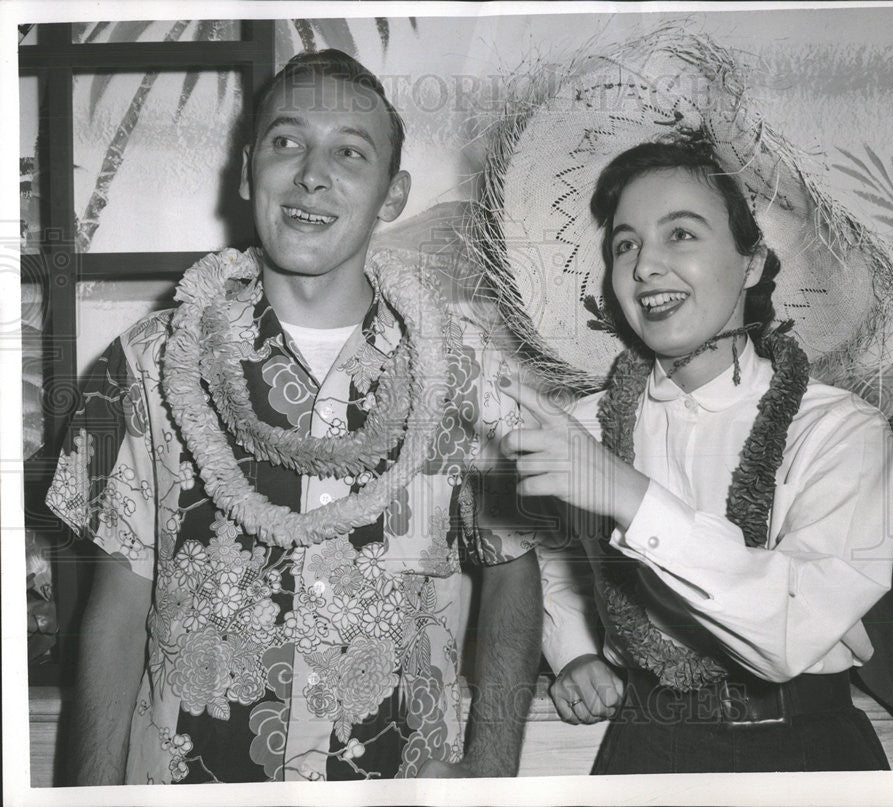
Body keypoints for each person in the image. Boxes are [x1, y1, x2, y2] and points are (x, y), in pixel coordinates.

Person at [46, 49, 541, 784]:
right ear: (249, 171)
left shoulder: (465, 364)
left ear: (391, 194)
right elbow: (115, 603)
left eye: (349, 151)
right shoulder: (144, 361)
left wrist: (494, 761)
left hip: (404, 781)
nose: (312, 173)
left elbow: (512, 568)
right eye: (287, 142)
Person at [501, 139, 893, 773]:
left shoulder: (840, 431)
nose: (645, 266)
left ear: (751, 263)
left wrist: (629, 497)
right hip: (648, 743)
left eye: (681, 234)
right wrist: (572, 649)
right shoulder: (582, 429)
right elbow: (547, 556)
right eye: (625, 244)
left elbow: (792, 630)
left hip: (810, 744)